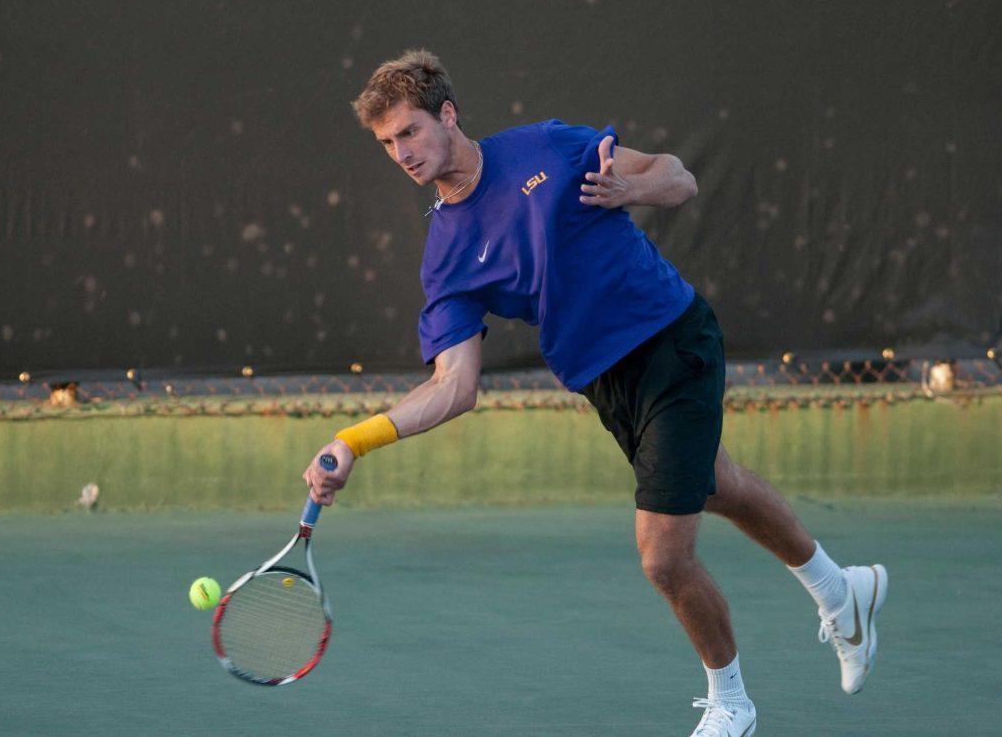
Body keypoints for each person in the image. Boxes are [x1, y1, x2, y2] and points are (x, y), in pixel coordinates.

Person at [302, 49, 887, 736]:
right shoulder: (447, 256)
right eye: (387, 143)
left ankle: (733, 704)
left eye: (409, 132)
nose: (401, 152)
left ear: (448, 115)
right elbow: (454, 386)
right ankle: (841, 590)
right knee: (718, 483)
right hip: (606, 380)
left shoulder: (546, 146)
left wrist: (628, 190)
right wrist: (354, 439)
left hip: (672, 336)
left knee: (663, 555)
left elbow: (679, 178)